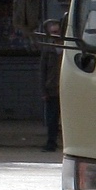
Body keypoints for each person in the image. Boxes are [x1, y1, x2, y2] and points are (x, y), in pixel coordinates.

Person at [40, 19, 62, 152]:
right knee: (52, 118)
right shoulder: (48, 49)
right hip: (52, 88)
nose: (55, 34)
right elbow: (42, 71)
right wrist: (43, 90)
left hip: (66, 88)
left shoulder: (69, 45)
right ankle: (51, 142)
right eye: (52, 32)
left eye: (57, 31)